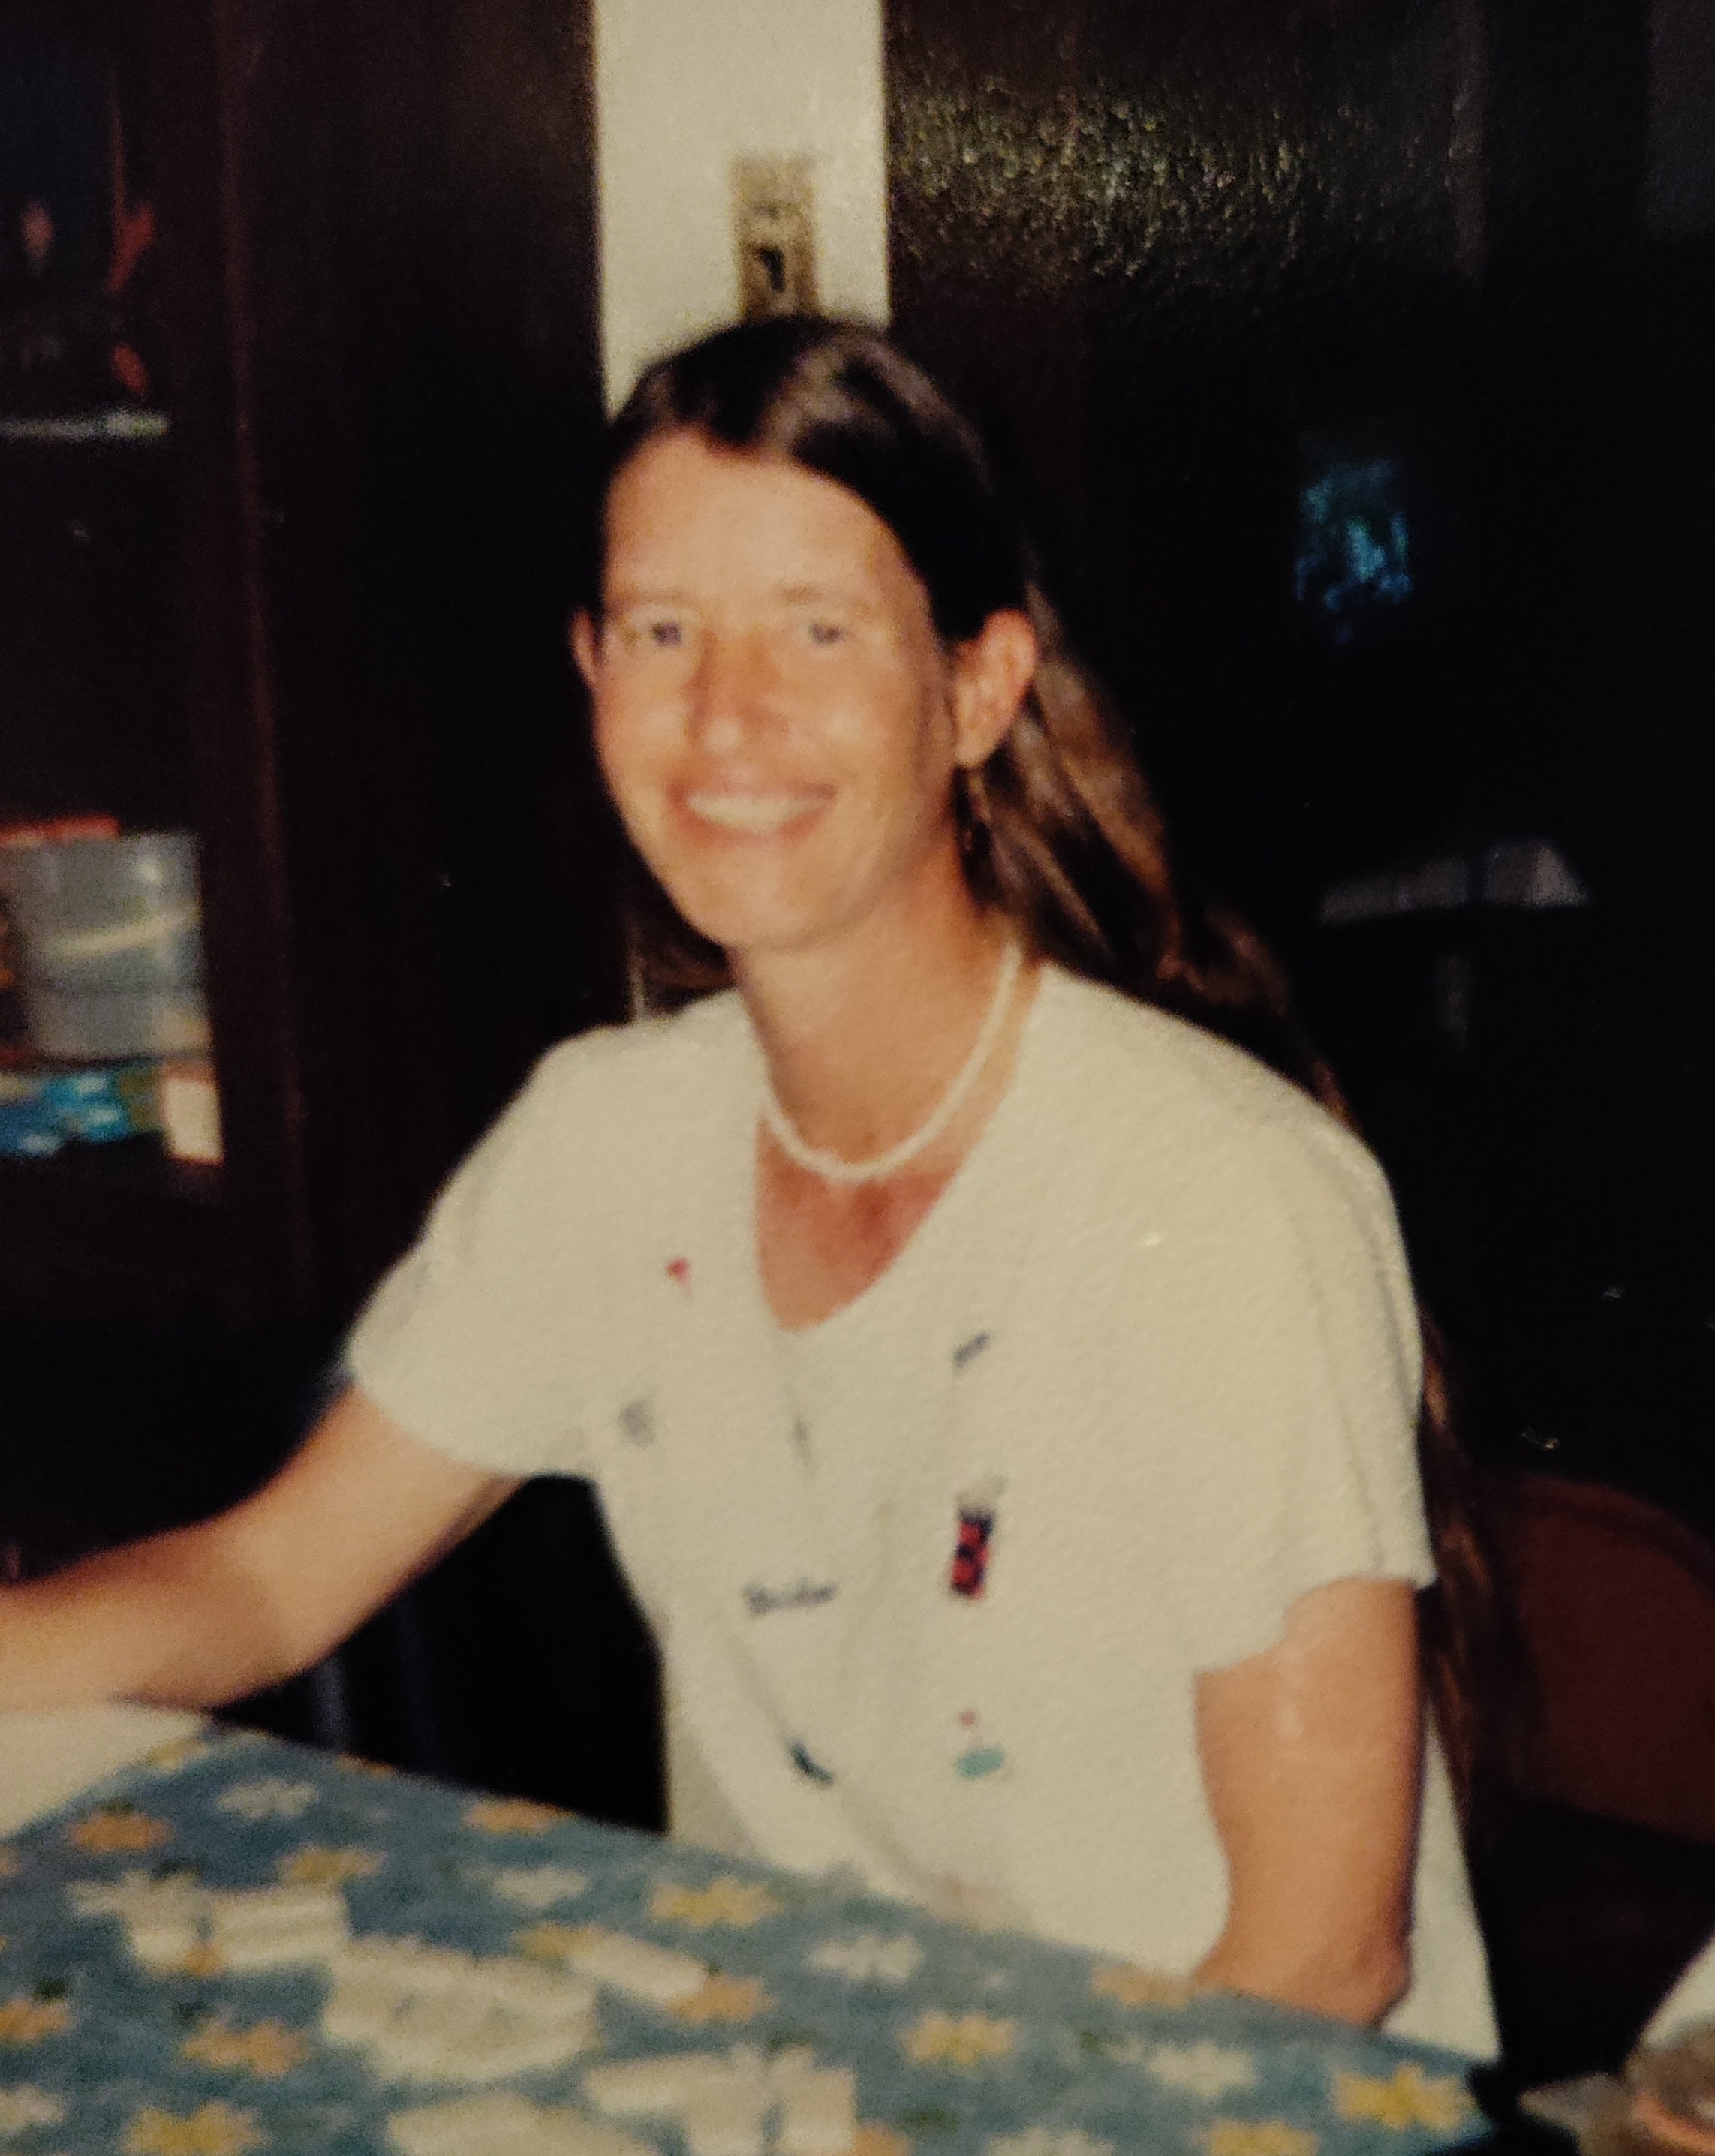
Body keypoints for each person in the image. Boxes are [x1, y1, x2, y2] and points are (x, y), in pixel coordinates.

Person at [0, 317, 1497, 2060]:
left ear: (977, 691)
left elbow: (1323, 1957)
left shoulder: (1218, 1197)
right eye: (662, 631)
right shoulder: (607, 1144)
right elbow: (266, 1581)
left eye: (816, 628)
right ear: (590, 671)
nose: (726, 715)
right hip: (823, 2075)